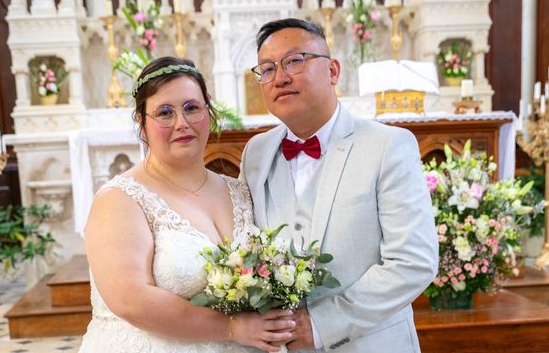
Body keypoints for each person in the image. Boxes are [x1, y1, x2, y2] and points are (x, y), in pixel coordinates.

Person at [240, 19, 438, 352]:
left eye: (295, 61)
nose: (280, 78)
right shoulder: (256, 153)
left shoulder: (388, 145)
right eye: (267, 69)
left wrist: (321, 325)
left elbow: (412, 261)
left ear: (332, 71)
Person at [79, 56, 294, 352]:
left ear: (209, 113)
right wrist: (231, 328)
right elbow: (129, 300)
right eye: (165, 113)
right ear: (142, 124)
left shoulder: (238, 190)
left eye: (192, 108)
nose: (182, 123)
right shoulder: (119, 199)